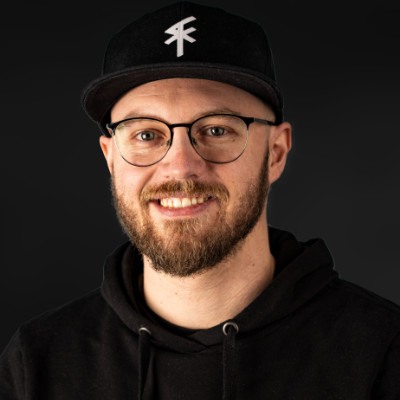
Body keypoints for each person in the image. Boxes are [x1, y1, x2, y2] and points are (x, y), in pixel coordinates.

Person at [1, 2, 399, 399]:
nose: (180, 168)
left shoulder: (384, 354)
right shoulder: (35, 365)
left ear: (275, 153)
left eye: (217, 130)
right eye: (146, 135)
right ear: (110, 157)